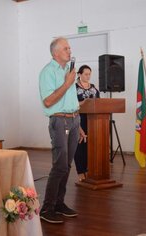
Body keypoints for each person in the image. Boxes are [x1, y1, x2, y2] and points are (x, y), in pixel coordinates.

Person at [38, 37, 86, 224]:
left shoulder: (68, 71)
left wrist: (79, 125)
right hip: (59, 121)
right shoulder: (47, 72)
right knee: (59, 165)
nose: (70, 50)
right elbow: (48, 101)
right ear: (55, 53)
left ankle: (59, 204)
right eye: (66, 48)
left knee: (66, 166)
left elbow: (70, 102)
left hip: (74, 120)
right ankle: (47, 208)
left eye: (69, 48)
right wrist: (67, 83)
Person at [74, 65, 100, 185]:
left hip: (93, 120)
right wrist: (83, 102)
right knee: (80, 146)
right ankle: (80, 171)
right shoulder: (73, 88)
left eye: (89, 74)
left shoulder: (93, 88)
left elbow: (99, 102)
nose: (88, 76)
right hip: (79, 119)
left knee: (91, 145)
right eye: (86, 74)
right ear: (79, 74)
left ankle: (89, 169)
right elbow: (72, 104)